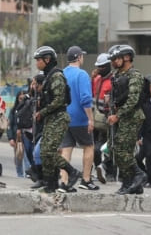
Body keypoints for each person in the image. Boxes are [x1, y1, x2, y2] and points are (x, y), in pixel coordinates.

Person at [33, 46, 82, 193]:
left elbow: (59, 100)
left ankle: (72, 172)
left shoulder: (56, 76)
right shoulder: (48, 76)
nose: (37, 63)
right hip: (51, 118)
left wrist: (42, 111)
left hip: (59, 118)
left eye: (38, 60)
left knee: (48, 151)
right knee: (44, 152)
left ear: (47, 60)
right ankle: (50, 184)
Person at [107, 44, 147, 194]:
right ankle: (129, 184)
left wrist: (118, 115)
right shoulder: (117, 75)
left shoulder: (134, 76)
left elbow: (133, 100)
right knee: (117, 150)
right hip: (121, 117)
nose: (114, 62)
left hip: (131, 117)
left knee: (122, 150)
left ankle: (139, 174)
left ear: (127, 58)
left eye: (117, 58)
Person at [61, 46, 100, 191]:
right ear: (79, 58)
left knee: (66, 150)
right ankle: (86, 179)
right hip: (80, 118)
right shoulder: (82, 75)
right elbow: (85, 99)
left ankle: (64, 182)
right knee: (89, 146)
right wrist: (90, 119)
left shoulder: (62, 73)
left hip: (65, 118)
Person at [92, 53, 112, 183]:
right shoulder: (96, 80)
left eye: (103, 66)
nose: (100, 68)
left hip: (109, 119)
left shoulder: (114, 80)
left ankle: (110, 172)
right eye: (99, 66)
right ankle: (99, 167)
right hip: (96, 120)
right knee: (95, 149)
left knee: (109, 148)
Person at [8, 89, 32, 177]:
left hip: (27, 136)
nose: (21, 101)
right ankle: (20, 174)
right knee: (19, 156)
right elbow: (10, 125)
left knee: (27, 155)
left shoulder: (29, 109)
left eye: (23, 99)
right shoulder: (14, 110)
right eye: (20, 99)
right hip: (17, 137)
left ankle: (28, 172)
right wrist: (10, 138)